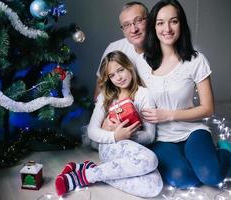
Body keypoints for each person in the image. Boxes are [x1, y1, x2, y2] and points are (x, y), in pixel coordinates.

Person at [135, 0, 231, 189]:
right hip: (160, 137)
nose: (167, 28)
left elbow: (208, 108)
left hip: (191, 131)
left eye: (174, 21)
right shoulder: (142, 62)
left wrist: (170, 114)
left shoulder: (196, 60)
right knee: (184, 179)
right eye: (160, 22)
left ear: (181, 24)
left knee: (211, 177)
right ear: (154, 26)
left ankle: (226, 151)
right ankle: (190, 158)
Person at [55, 51, 163, 198]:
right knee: (151, 159)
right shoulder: (105, 97)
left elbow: (150, 136)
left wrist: (127, 135)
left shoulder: (144, 95)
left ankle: (92, 170)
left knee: (155, 187)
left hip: (134, 152)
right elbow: (92, 131)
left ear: (129, 67)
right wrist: (114, 136)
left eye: (121, 70)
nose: (118, 77)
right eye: (112, 75)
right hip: (109, 147)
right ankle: (82, 177)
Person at [94, 2, 148, 100]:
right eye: (126, 25)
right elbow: (99, 93)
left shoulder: (165, 50)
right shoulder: (114, 48)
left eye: (138, 20)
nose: (133, 29)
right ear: (123, 31)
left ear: (150, 21)